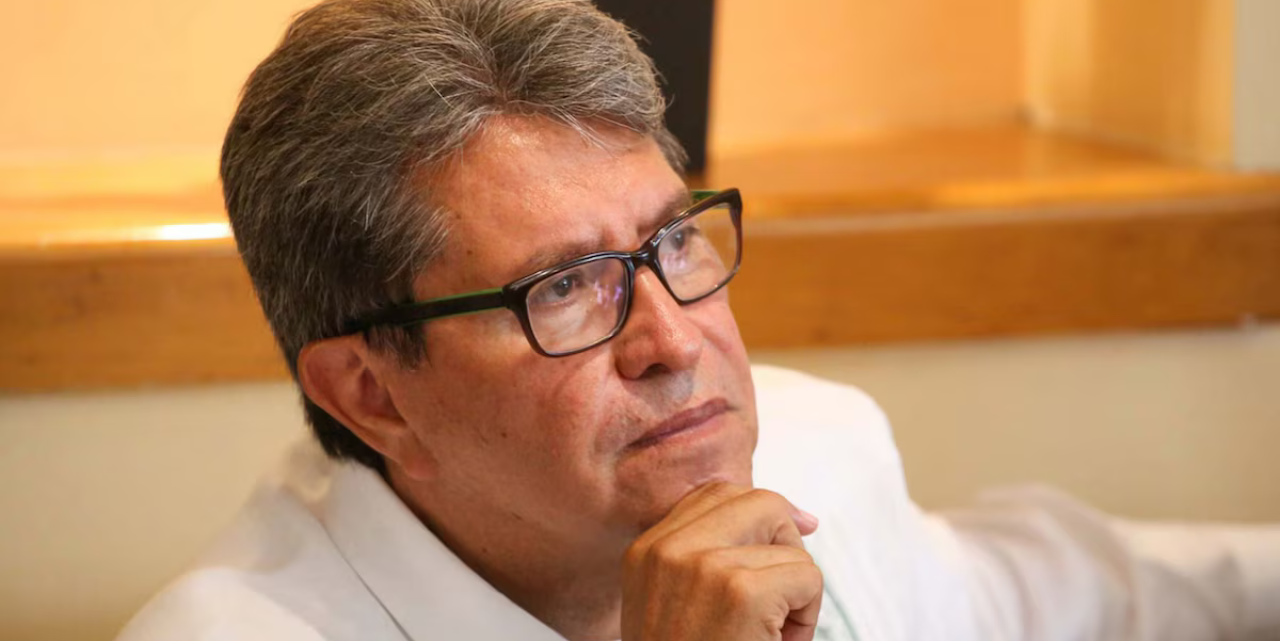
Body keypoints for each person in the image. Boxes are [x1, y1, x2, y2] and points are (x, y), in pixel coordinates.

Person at [118, 0, 1279, 639]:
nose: (673, 340)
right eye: (561, 287)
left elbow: (1047, 589)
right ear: (373, 394)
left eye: (672, 242)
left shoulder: (816, 449)